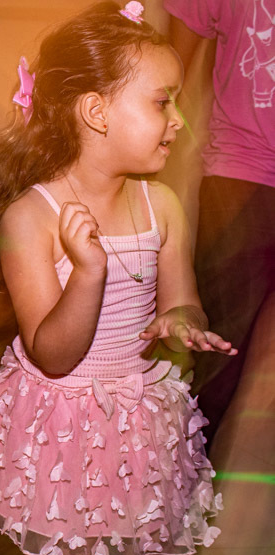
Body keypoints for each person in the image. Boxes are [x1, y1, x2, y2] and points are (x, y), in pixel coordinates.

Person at [0, 3, 234, 555]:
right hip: (64, 419)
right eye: (162, 102)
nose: (179, 119)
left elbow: (184, 299)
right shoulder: (33, 217)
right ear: (97, 112)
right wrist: (88, 273)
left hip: (142, 415)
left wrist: (183, 321)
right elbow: (52, 354)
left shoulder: (163, 207)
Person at [163, 0, 275, 445]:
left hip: (237, 178)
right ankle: (188, 475)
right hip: (240, 176)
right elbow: (169, 70)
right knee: (220, 353)